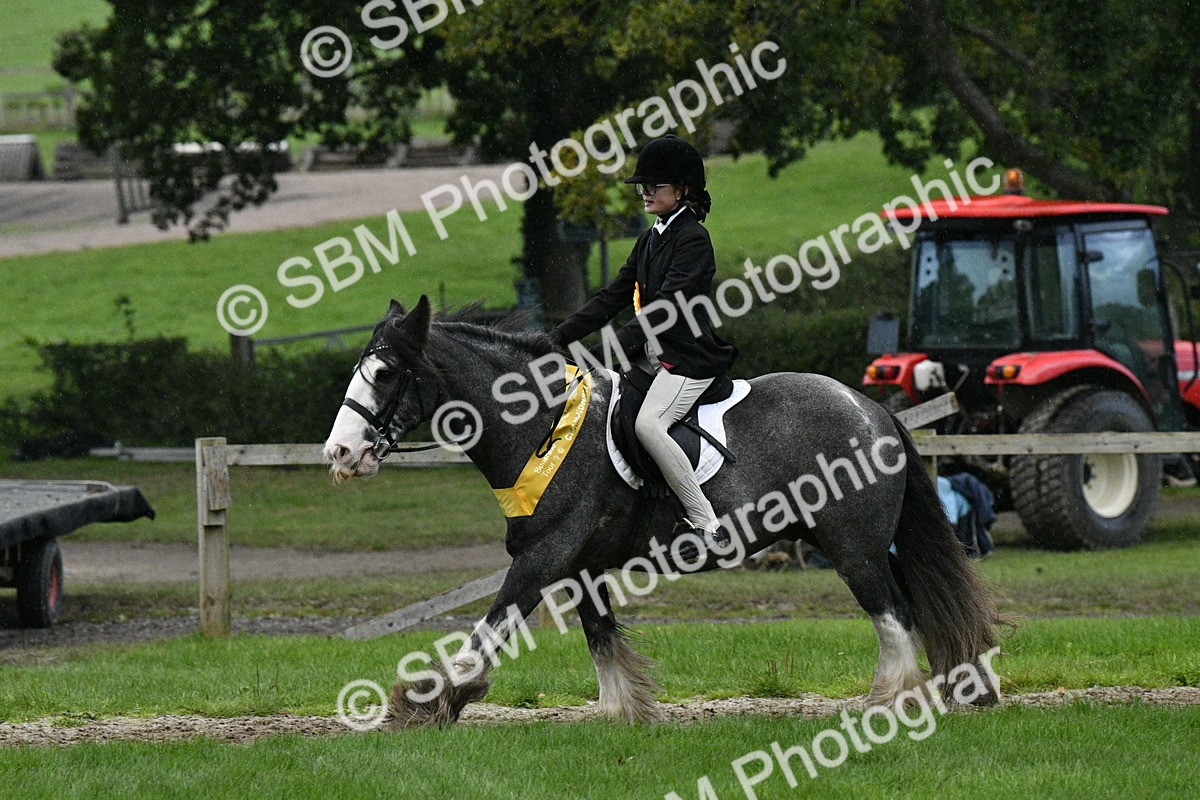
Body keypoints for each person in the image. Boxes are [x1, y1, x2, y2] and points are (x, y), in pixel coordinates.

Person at [548, 135, 738, 555]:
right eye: (642, 186)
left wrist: (599, 353)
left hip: (687, 359)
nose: (645, 192)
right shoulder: (650, 238)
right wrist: (555, 339)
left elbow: (662, 312)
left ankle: (707, 525)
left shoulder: (693, 240)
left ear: (682, 191)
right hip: (652, 359)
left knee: (648, 425)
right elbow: (611, 298)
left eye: (654, 185)